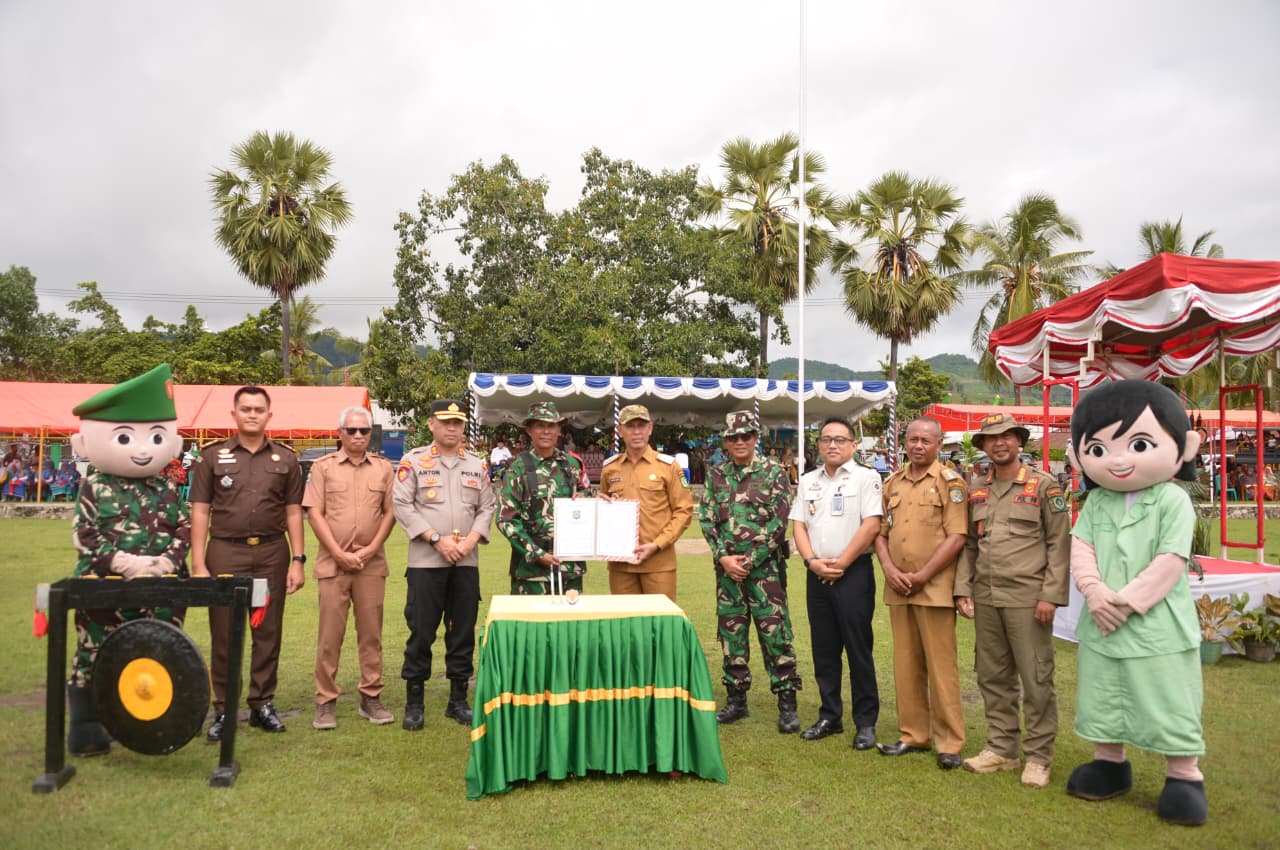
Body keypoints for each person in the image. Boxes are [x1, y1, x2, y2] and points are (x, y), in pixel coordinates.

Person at [1065, 381, 1208, 825]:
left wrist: (1124, 603)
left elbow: (1170, 560)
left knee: (1167, 694)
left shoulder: (1172, 500)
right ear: (1078, 456)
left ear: (1184, 447)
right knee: (1104, 694)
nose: (1119, 459)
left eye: (1139, 444)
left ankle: (1183, 773)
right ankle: (1109, 762)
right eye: (1099, 449)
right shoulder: (1096, 502)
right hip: (1102, 620)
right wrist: (1094, 592)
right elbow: (1081, 548)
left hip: (1156, 623)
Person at [66, 364, 190, 755]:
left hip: (162, 593)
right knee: (94, 654)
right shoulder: (94, 486)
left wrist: (165, 563)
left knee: (159, 654)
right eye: (125, 436)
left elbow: (184, 530)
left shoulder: (167, 487)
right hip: (104, 593)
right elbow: (85, 535)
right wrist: (122, 563)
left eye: (155, 437)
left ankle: (153, 728)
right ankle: (87, 730)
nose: (142, 449)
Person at [954, 413, 1070, 788]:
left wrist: (1051, 594)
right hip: (987, 596)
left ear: (1019, 441)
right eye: (991, 438)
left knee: (1036, 678)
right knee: (992, 676)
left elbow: (1059, 544)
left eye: (1006, 436)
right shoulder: (977, 488)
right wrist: (963, 588)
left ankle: (1038, 757)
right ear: (983, 446)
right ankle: (1001, 748)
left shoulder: (1043, 486)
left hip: (1028, 598)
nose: (999, 443)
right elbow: (970, 545)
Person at [190, 386, 306, 739]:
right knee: (225, 634)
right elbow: (200, 510)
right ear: (234, 414)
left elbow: (293, 511)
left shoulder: (286, 459)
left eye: (258, 409)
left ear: (269, 415)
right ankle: (224, 709)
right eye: (246, 409)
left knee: (268, 632)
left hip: (272, 553)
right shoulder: (212, 456)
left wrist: (297, 560)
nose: (252, 414)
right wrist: (198, 563)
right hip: (226, 552)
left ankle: (262, 703)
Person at [393, 399, 497, 729]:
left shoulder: (476, 464)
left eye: (457, 422)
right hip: (426, 562)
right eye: (445, 421)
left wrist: (469, 541)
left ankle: (457, 700)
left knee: (462, 632)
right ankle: (415, 702)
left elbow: (487, 507)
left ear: (464, 426)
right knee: (421, 632)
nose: (452, 428)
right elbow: (402, 504)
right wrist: (437, 540)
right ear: (431, 424)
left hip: (465, 562)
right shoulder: (413, 461)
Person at [698, 410, 802, 733]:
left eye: (746, 436)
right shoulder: (716, 474)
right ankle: (736, 699)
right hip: (727, 572)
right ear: (726, 441)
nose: (740, 441)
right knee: (732, 635)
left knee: (775, 634)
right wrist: (724, 558)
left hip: (765, 572)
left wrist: (749, 560)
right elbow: (707, 519)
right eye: (734, 437)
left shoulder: (774, 473)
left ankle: (787, 703)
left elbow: (779, 523)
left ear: (755, 438)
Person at [874, 416, 968, 769]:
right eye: (912, 439)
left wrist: (923, 575)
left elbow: (957, 536)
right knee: (906, 665)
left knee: (941, 668)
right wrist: (889, 570)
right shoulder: (893, 483)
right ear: (904, 442)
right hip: (898, 587)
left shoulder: (950, 482)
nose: (917, 446)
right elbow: (880, 533)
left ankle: (949, 743)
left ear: (938, 444)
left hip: (935, 588)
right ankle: (913, 734)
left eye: (925, 440)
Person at [790, 417, 882, 750]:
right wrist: (812, 562)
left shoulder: (866, 477)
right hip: (817, 574)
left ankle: (866, 722)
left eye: (840, 439)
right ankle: (830, 715)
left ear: (854, 445)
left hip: (852, 573)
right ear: (818, 445)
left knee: (858, 649)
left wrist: (841, 563)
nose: (832, 445)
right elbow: (799, 525)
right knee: (824, 650)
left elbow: (872, 525)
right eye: (826, 439)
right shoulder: (808, 480)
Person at [304, 406, 397, 730]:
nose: (358, 435)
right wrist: (337, 553)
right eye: (352, 430)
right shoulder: (323, 467)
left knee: (371, 635)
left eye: (364, 430)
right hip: (333, 564)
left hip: (371, 564)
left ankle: (370, 696)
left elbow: (390, 512)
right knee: (330, 637)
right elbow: (314, 513)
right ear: (340, 433)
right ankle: (325, 701)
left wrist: (371, 549)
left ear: (371, 434)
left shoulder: (383, 468)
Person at [598, 405, 694, 602]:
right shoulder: (610, 468)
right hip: (621, 564)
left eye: (641, 426)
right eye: (630, 426)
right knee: (625, 619)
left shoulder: (668, 467)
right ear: (620, 431)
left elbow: (683, 511)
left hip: (658, 563)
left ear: (650, 428)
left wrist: (657, 545)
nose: (636, 432)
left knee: (660, 619)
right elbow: (604, 507)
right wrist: (598, 506)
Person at [497, 402, 587, 595]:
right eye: (540, 425)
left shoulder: (572, 464)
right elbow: (506, 520)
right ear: (529, 430)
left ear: (559, 430)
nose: (546, 431)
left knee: (570, 615)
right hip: (531, 573)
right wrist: (537, 554)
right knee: (531, 616)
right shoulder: (518, 468)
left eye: (551, 426)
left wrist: (585, 500)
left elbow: (585, 497)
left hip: (569, 569)